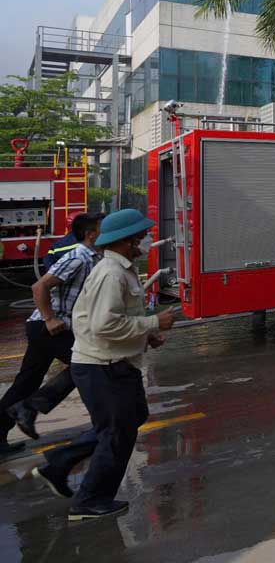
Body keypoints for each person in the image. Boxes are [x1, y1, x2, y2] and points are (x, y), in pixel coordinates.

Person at [31, 209, 176, 520]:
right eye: (140, 238)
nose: (146, 242)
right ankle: (89, 500)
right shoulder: (111, 273)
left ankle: (59, 463)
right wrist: (154, 321)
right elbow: (103, 324)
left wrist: (147, 334)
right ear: (125, 241)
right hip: (102, 366)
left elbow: (122, 315)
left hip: (115, 361)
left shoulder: (122, 269)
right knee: (116, 432)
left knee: (132, 418)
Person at [1, 212, 104, 455]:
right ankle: (32, 406)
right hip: (48, 328)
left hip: (50, 328)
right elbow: (39, 286)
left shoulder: (95, 258)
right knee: (88, 362)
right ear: (91, 235)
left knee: (26, 383)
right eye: (103, 228)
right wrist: (50, 319)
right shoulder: (78, 257)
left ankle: (16, 416)